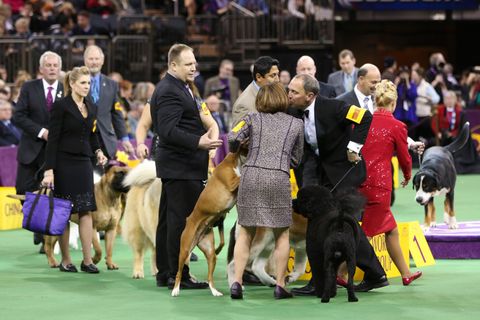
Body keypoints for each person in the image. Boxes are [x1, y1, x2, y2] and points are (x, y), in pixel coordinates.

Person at [287, 74, 388, 295]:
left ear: (310, 95)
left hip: (345, 172)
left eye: (294, 92)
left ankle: (327, 282)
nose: (289, 95)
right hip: (320, 173)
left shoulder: (334, 107)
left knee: (340, 224)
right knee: (326, 224)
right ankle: (372, 274)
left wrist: (353, 148)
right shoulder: (292, 109)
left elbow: (364, 118)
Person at [151, 44, 223, 290]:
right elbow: (167, 130)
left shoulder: (182, 87)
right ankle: (176, 273)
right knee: (181, 222)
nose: (194, 67)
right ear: (173, 65)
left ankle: (166, 272)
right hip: (180, 165)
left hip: (179, 166)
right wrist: (198, 141)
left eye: (194, 63)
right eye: (188, 64)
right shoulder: (170, 90)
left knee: (169, 221)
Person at [228, 82, 304, 300]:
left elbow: (232, 137)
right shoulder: (295, 124)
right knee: (281, 234)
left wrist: (243, 146)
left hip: (251, 176)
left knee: (245, 233)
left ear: (260, 100)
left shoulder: (251, 118)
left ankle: (237, 282)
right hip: (278, 178)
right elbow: (297, 160)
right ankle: (280, 285)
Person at [41, 66, 108, 274]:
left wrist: (98, 151)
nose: (87, 87)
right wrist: (49, 169)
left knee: (86, 210)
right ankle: (66, 260)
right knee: (64, 211)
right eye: (83, 83)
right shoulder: (61, 106)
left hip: (83, 163)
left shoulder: (92, 106)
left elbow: (92, 134)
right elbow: (52, 140)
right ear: (72, 84)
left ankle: (87, 261)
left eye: (89, 83)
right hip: (63, 163)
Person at [359, 79, 422, 285]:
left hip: (360, 181)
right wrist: (406, 176)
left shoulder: (363, 120)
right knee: (364, 234)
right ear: (393, 104)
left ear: (376, 101)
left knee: (391, 229)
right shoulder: (398, 126)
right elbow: (405, 158)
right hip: (380, 186)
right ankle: (339, 274)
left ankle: (405, 273)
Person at [12, 51, 63, 253]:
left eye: (55, 65)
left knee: (53, 193)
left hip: (56, 152)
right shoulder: (28, 88)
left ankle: (45, 236)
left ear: (59, 68)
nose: (52, 68)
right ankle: (36, 225)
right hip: (30, 150)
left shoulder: (67, 89)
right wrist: (41, 132)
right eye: (48, 65)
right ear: (41, 69)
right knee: (23, 191)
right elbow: (18, 116)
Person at [83, 45, 134, 159]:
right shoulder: (76, 82)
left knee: (106, 177)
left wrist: (124, 139)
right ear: (85, 60)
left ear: (102, 61)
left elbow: (117, 114)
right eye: (91, 59)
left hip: (106, 142)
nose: (94, 62)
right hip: (83, 141)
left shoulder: (112, 84)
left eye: (97, 59)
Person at [231, 56, 279, 125]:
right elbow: (238, 135)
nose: (277, 80)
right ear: (259, 77)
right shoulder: (244, 105)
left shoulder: (273, 91)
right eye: (273, 75)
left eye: (277, 74)